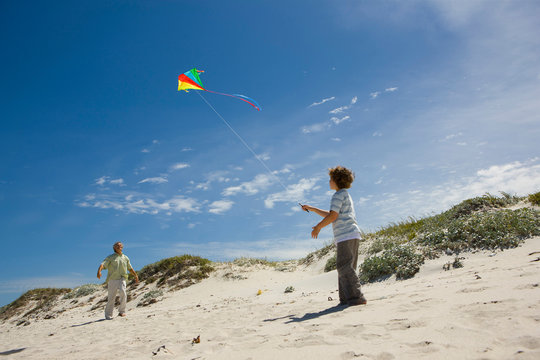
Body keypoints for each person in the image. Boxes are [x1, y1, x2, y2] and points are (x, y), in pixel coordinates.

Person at [302, 166, 367, 306]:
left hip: (346, 235)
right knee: (346, 266)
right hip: (352, 234)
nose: (329, 181)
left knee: (344, 266)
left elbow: (333, 216)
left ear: (337, 180)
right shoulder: (344, 194)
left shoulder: (337, 195)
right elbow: (331, 214)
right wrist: (312, 209)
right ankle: (346, 299)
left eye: (331, 179)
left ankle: (356, 297)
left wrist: (318, 227)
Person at [97, 242, 139, 319]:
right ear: (114, 248)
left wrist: (135, 275)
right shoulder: (110, 257)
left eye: (120, 245)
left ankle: (122, 312)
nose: (119, 246)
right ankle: (108, 315)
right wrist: (99, 271)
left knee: (123, 293)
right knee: (111, 297)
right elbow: (103, 264)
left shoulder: (125, 257)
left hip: (122, 278)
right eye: (117, 245)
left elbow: (130, 268)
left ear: (122, 247)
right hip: (112, 279)